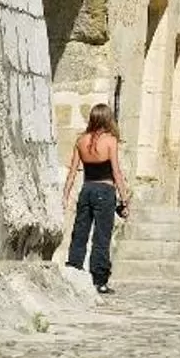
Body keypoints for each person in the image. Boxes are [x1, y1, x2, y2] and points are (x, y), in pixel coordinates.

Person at [62, 104, 129, 293]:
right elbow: (116, 171)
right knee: (101, 236)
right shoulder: (110, 141)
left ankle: (74, 269)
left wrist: (65, 195)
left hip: (87, 189)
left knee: (80, 232)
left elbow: (73, 171)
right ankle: (99, 280)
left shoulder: (81, 140)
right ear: (108, 119)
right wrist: (124, 199)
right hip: (105, 191)